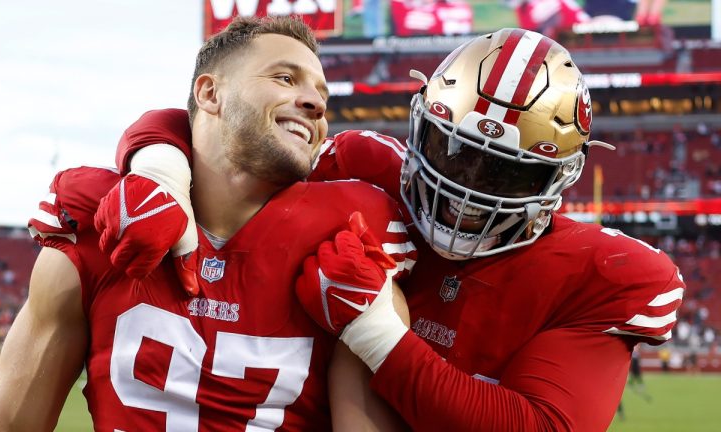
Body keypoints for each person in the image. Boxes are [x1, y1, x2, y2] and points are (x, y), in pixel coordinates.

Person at [39, 29, 685, 430]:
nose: (468, 189)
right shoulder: (365, 169)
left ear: (559, 179)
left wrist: (376, 334)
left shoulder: (608, 275)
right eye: (455, 151)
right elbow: (225, 135)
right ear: (422, 125)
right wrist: (156, 170)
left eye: (508, 172)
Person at [0, 16, 414, 431]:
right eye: (284, 78)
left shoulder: (347, 252)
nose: (316, 104)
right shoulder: (103, 229)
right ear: (209, 93)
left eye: (322, 95)